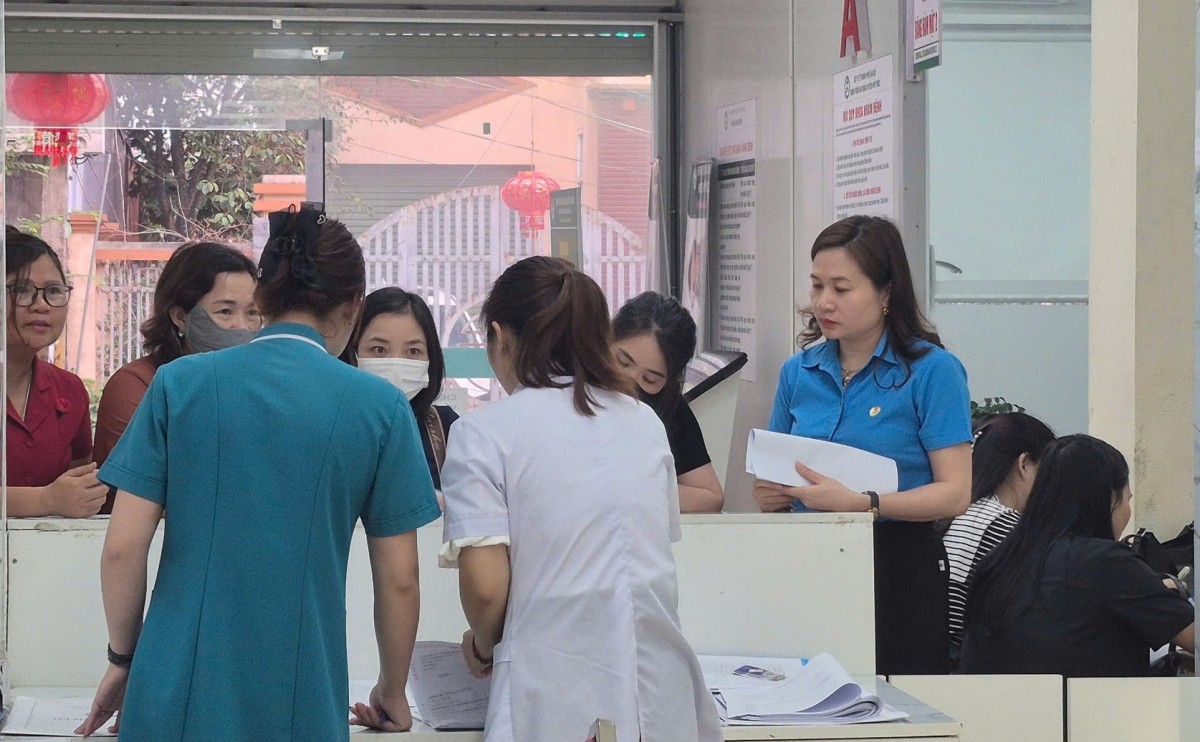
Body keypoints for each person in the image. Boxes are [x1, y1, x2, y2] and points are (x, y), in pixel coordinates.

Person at [77, 206, 440, 740]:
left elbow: (123, 548)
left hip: (171, 688)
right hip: (303, 695)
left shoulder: (178, 385)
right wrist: (391, 689)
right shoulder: (381, 408)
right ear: (354, 306)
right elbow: (400, 579)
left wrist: (123, 660)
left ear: (263, 297)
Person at [438, 256, 722, 742]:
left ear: (500, 337)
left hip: (556, 692)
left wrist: (483, 647)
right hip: (661, 691)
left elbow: (485, 590)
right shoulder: (645, 422)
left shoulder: (483, 434)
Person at [752, 215, 972, 676]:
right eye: (817, 286)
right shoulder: (798, 372)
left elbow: (955, 493)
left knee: (897, 698)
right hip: (807, 560)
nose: (823, 302)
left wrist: (862, 503)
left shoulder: (933, 371)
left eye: (841, 288)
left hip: (896, 564)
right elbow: (773, 471)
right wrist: (771, 494)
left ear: (886, 293)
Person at [961, 434, 1195, 677]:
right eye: (1127, 499)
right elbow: (1194, 638)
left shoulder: (999, 560)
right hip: (1080, 701)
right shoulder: (1106, 561)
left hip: (996, 700)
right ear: (1109, 498)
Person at [92, 241, 260, 512]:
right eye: (225, 312)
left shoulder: (260, 386)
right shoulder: (136, 385)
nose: (242, 326)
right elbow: (145, 488)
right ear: (180, 316)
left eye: (253, 313)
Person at [5, 226, 108, 518]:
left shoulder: (69, 389)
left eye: (53, 291)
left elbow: (79, 489)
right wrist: (43, 501)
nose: (41, 305)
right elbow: (58, 498)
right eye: (21, 290)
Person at [943, 412, 1055, 658]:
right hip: (968, 663)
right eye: (1048, 472)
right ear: (1024, 464)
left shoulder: (957, 513)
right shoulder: (1009, 527)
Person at [612, 291, 724, 512]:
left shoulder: (669, 407)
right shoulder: (571, 386)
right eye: (622, 362)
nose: (629, 382)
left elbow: (711, 498)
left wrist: (640, 489)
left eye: (650, 379)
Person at [342, 287, 458, 490]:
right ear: (353, 353)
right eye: (379, 349)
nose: (396, 363)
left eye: (413, 351)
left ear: (430, 358)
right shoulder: (331, 426)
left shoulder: (448, 428)